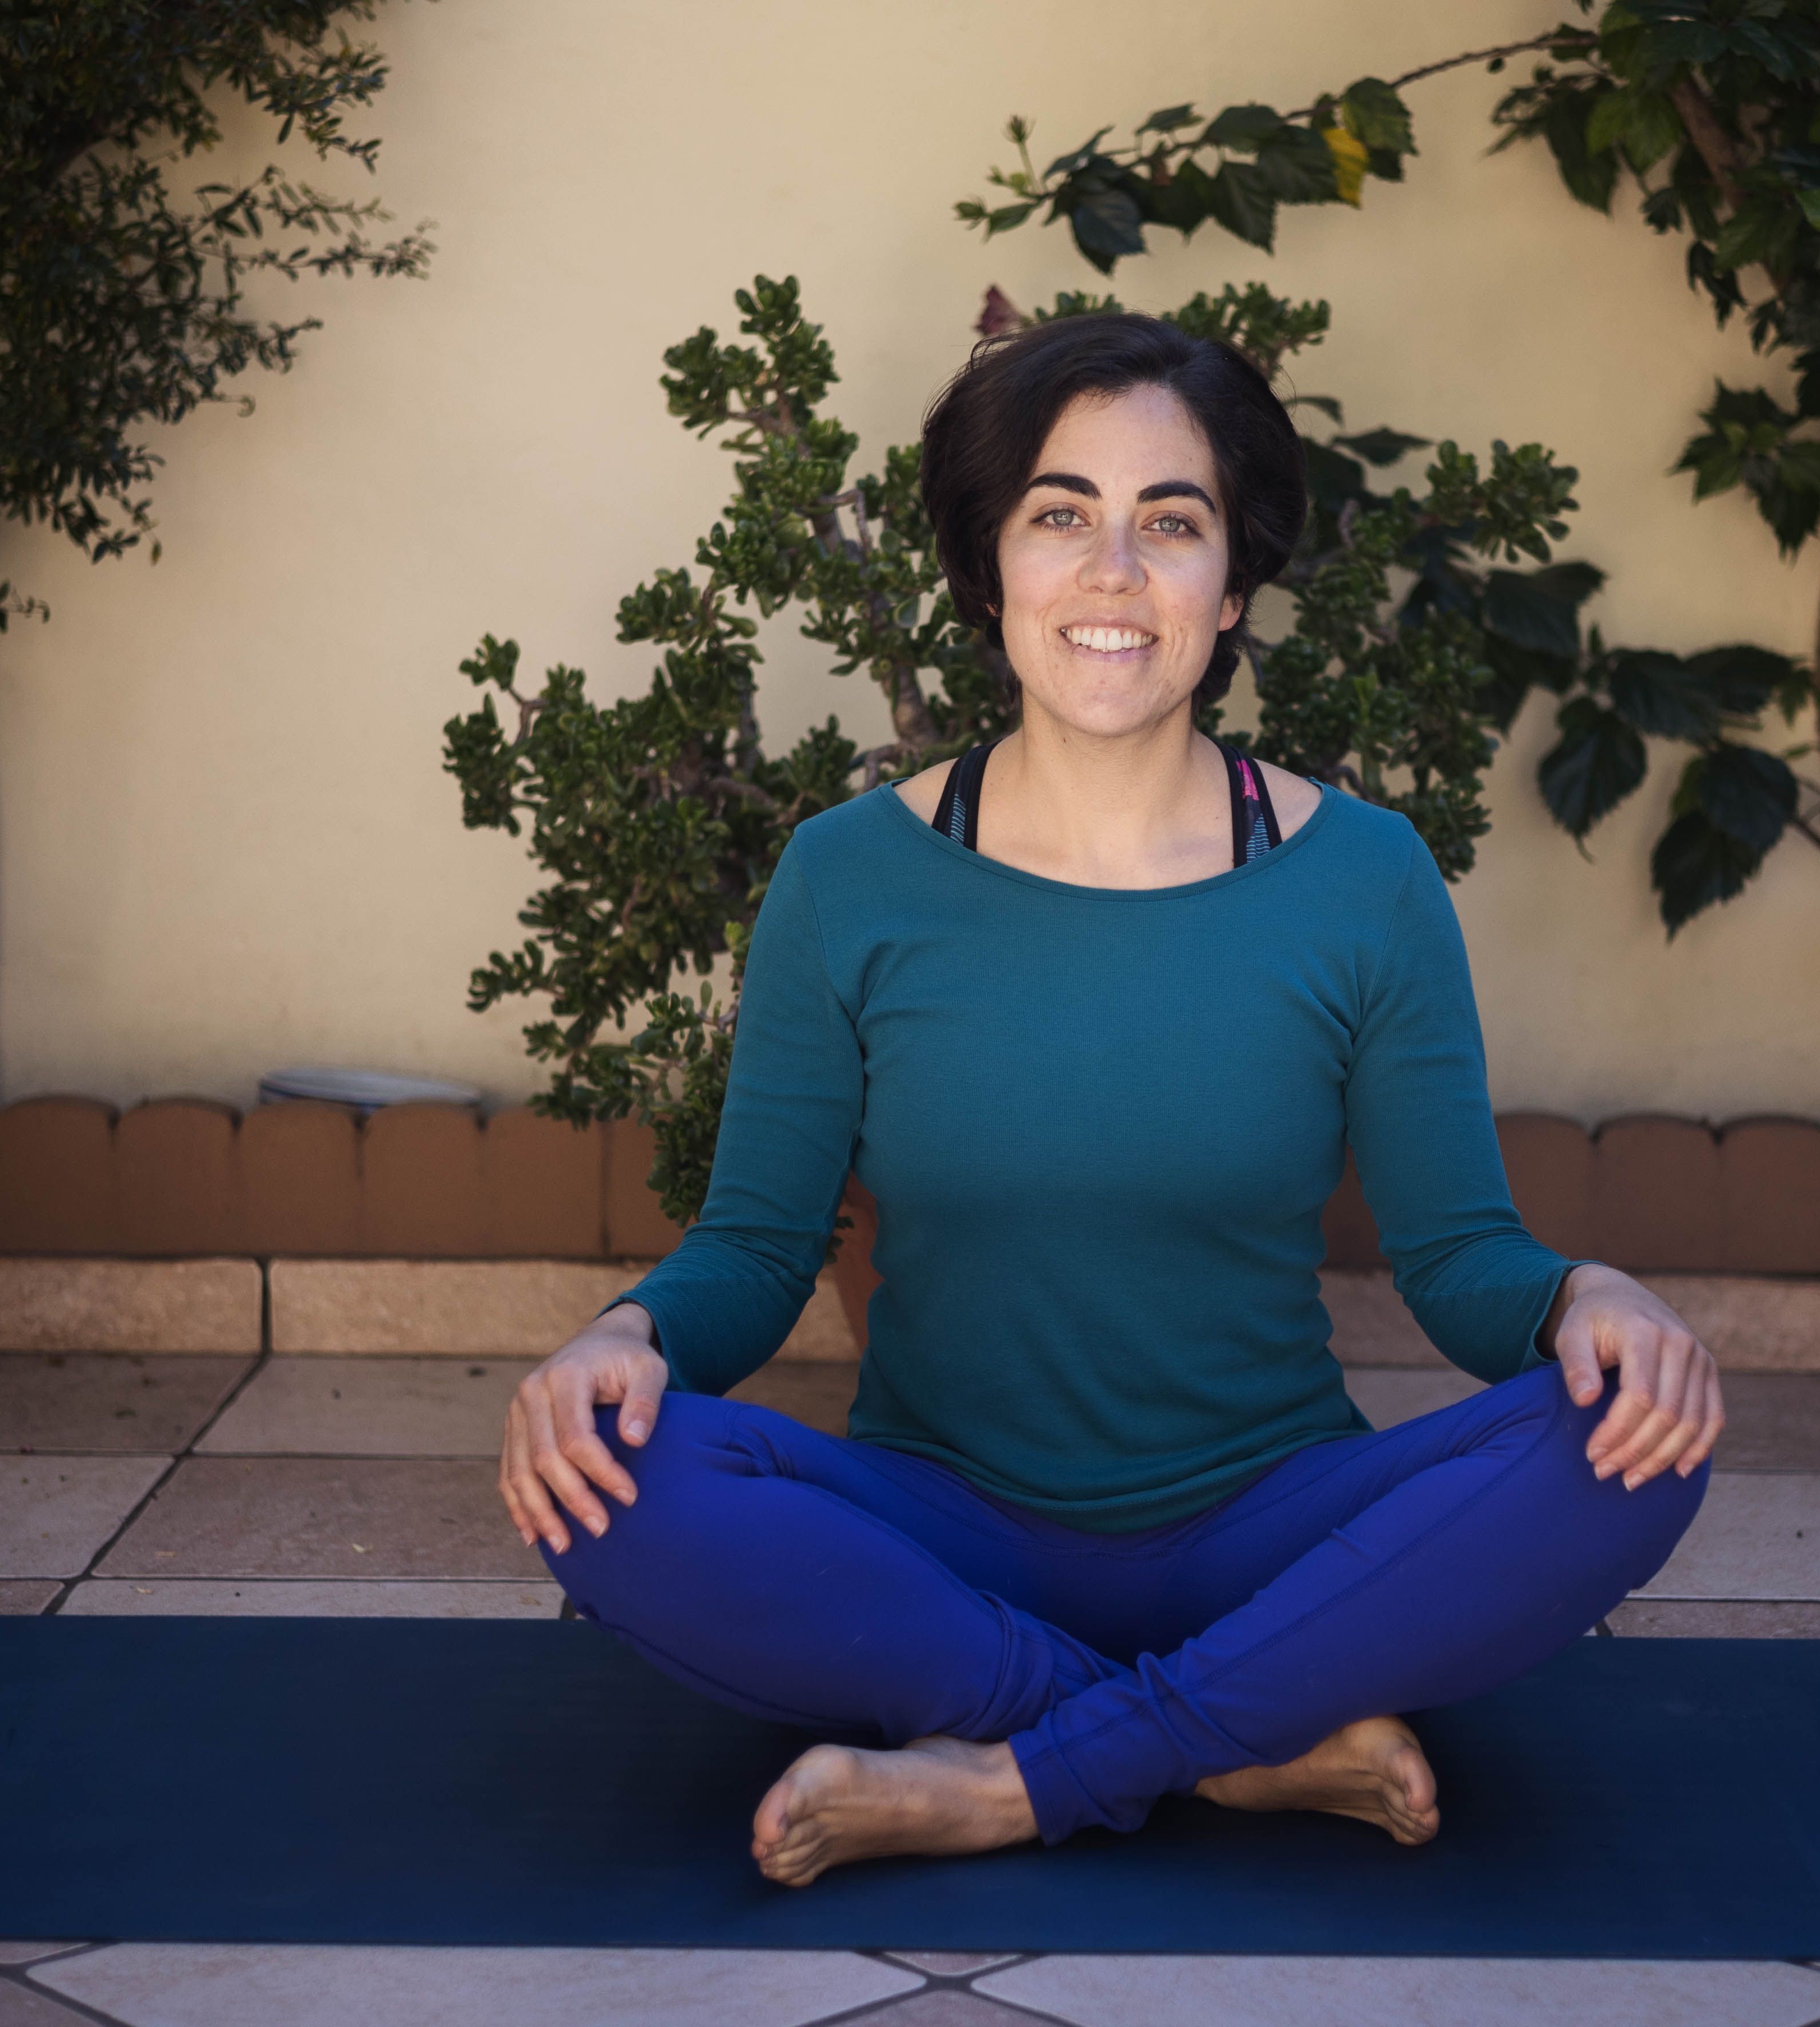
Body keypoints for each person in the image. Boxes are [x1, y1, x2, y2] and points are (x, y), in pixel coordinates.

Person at [495, 311, 1722, 1888]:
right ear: (991, 564)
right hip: (944, 1534)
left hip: (1275, 1534)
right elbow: (751, 1251)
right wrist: (626, 1335)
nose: (1115, 573)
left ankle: (1006, 1777)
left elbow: (1464, 1262)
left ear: (1233, 581)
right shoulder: (847, 878)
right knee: (608, 1474)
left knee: (1639, 1432)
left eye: (1174, 524)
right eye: (1062, 515)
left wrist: (1587, 1298)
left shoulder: (1363, 880)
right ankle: (1238, 1741)